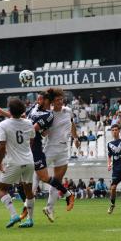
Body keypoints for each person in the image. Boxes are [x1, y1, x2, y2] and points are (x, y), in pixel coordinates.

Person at [0, 90, 73, 222]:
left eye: (40, 99)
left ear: (47, 101)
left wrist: (9, 125)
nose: (38, 101)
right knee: (24, 185)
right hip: (26, 148)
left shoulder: (48, 115)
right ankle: (27, 214)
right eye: (38, 99)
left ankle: (67, 194)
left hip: (35, 148)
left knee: (42, 178)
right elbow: (18, 118)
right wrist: (4, 113)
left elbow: (30, 128)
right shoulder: (35, 108)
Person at [37, 88, 78, 223]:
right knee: (37, 176)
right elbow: (43, 133)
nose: (60, 102)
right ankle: (27, 206)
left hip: (63, 149)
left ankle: (49, 208)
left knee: (57, 181)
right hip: (50, 149)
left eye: (61, 99)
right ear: (52, 102)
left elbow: (71, 123)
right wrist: (44, 130)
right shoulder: (49, 114)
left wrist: (76, 138)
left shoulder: (68, 111)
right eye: (57, 100)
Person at [0, 97, 36, 228]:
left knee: (2, 189)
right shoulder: (29, 123)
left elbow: (2, 145)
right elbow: (32, 139)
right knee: (28, 191)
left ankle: (14, 215)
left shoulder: (3, 125)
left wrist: (0, 161)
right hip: (29, 161)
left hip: (14, 162)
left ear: (9, 110)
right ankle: (30, 220)